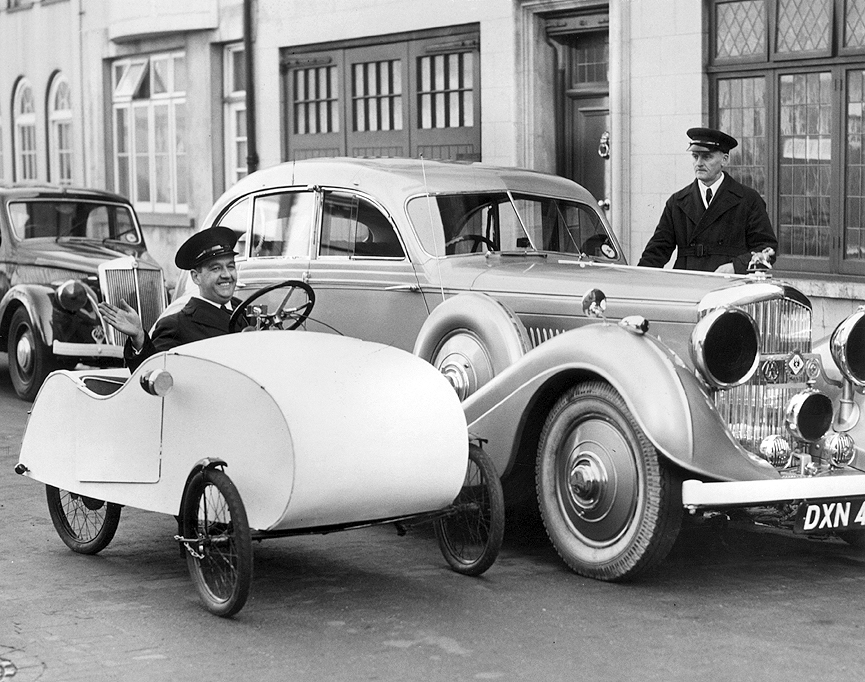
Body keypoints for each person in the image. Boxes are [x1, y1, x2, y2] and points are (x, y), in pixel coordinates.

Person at [98, 226, 241, 373]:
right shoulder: (178, 325)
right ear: (196, 277)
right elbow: (154, 375)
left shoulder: (243, 311)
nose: (226, 275)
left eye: (230, 267)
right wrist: (139, 338)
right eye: (216, 269)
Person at [638, 127, 777, 274]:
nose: (699, 163)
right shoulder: (677, 202)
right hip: (688, 284)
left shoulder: (748, 199)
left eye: (707, 157)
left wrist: (736, 266)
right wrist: (637, 282)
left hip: (731, 286)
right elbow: (656, 251)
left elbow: (767, 249)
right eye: (695, 156)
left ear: (724, 159)